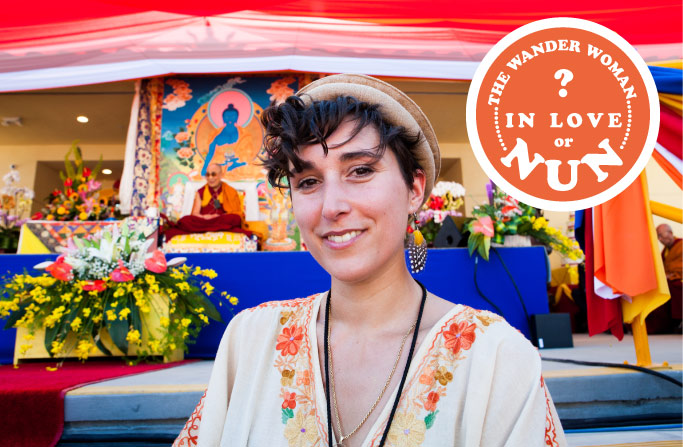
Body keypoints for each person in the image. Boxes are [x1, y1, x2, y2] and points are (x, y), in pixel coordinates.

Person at [173, 74, 566, 446]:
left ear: (414, 189)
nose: (332, 207)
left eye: (360, 171)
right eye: (308, 182)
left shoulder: (496, 357)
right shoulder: (252, 340)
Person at [163, 163, 252, 241]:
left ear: (221, 175)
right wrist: (206, 217)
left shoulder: (230, 191)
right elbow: (194, 214)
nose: (210, 178)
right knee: (185, 220)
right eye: (208, 175)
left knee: (235, 218)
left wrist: (218, 217)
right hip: (204, 221)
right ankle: (216, 228)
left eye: (213, 174)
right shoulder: (200, 191)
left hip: (220, 220)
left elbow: (236, 213)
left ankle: (211, 227)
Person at [657, 224, 682, 322]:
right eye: (658, 237)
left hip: (679, 278)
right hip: (670, 278)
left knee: (675, 286)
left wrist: (671, 273)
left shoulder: (681, 245)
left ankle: (678, 320)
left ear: (670, 233)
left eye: (661, 235)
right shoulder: (665, 251)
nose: (660, 239)